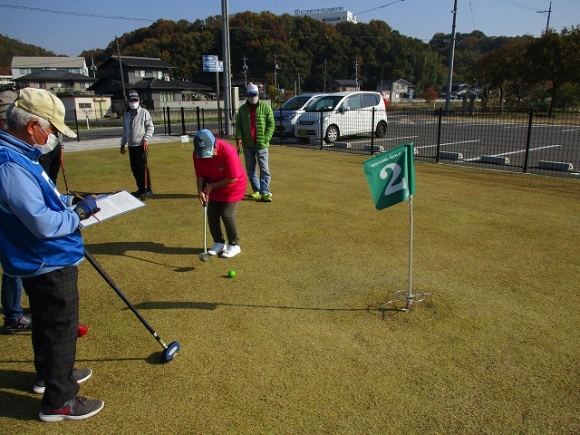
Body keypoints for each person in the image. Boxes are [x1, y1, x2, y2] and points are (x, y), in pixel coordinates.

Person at [0, 87, 104, 421]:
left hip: (42, 258)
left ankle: (51, 377)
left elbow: (40, 206)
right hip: (45, 259)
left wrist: (68, 204)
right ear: (32, 126)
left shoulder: (21, 156)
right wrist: (78, 215)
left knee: (47, 323)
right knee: (60, 326)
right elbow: (41, 224)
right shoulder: (10, 164)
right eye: (52, 129)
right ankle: (60, 400)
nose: (53, 137)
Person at [0, 89, 31, 333]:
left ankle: (13, 312)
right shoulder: (7, 156)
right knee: (14, 266)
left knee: (14, 267)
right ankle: (13, 316)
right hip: (9, 221)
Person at [193, 129, 247, 258]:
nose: (206, 157)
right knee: (212, 213)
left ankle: (234, 244)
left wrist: (213, 186)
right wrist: (200, 191)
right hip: (214, 186)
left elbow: (232, 177)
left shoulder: (228, 151)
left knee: (227, 214)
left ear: (214, 144)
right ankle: (219, 242)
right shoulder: (197, 154)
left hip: (233, 187)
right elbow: (200, 175)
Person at [235, 83, 275, 202]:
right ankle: (257, 190)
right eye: (251, 95)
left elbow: (271, 124)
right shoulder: (242, 110)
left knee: (264, 169)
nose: (253, 97)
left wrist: (266, 138)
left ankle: (265, 192)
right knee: (250, 169)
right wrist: (239, 138)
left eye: (255, 94)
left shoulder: (266, 108)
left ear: (258, 94)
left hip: (262, 144)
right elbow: (239, 126)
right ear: (247, 95)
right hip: (248, 144)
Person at [120, 90, 154, 200]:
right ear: (128, 101)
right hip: (131, 145)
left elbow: (150, 127)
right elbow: (125, 129)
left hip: (141, 144)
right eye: (132, 100)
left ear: (139, 100)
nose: (134, 102)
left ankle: (147, 190)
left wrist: (146, 139)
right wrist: (123, 143)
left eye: (136, 100)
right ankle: (140, 188)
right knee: (134, 168)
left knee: (142, 168)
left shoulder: (144, 113)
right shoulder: (126, 114)